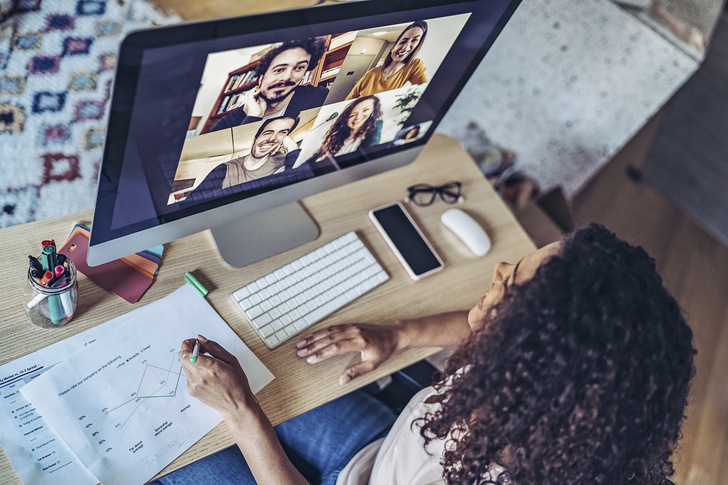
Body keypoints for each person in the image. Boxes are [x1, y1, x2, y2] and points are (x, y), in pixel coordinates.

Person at [157, 223, 695, 484]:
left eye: (512, 288)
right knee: (281, 373)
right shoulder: (546, 398)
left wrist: (243, 415)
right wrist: (401, 334)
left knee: (167, 462)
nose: (499, 271)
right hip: (373, 460)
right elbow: (490, 340)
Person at [212, 38, 328, 132]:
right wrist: (252, 119)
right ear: (261, 77)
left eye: (299, 68)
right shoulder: (229, 122)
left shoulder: (317, 98)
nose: (287, 76)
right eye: (279, 69)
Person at [184, 116, 305, 201]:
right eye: (268, 133)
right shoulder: (224, 169)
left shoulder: (287, 161)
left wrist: (292, 147)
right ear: (254, 140)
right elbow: (190, 203)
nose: (273, 138)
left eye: (282, 133)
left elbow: (302, 184)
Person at [346, 21, 428, 100]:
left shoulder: (414, 65)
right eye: (403, 41)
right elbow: (350, 98)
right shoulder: (371, 73)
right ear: (392, 48)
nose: (405, 48)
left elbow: (424, 92)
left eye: (414, 40)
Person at [300, 95, 382, 173]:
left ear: (373, 112)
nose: (358, 117)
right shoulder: (335, 141)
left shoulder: (371, 133)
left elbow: (370, 158)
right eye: (353, 115)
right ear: (346, 118)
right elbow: (310, 163)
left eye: (365, 110)